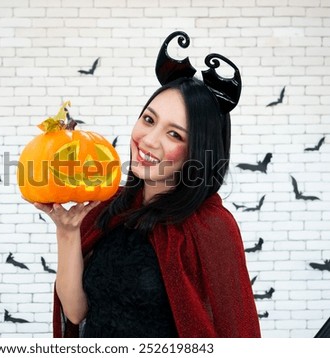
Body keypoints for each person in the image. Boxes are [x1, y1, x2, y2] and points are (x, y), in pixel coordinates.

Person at [32, 31, 261, 338]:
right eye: (149, 120)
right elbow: (76, 311)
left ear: (199, 151)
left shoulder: (212, 226)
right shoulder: (112, 204)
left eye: (175, 134)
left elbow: (236, 330)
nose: (149, 140)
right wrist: (67, 231)